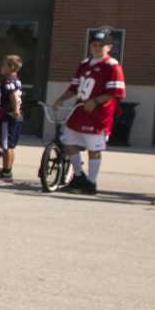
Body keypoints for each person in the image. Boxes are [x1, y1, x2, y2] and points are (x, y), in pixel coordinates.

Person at [52, 28, 125, 197]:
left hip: (99, 114)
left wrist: (96, 101)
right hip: (80, 110)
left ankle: (91, 183)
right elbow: (74, 87)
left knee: (94, 148)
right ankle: (78, 176)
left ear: (109, 47)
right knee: (68, 141)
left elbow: (116, 92)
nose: (97, 48)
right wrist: (61, 99)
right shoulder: (84, 64)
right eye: (94, 45)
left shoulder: (112, 66)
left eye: (101, 45)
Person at [0, 53, 26, 181]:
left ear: (11, 67)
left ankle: (6, 172)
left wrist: (15, 109)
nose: (0, 67)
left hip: (8, 116)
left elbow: (13, 95)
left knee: (6, 145)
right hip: (17, 117)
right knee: (11, 146)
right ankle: (8, 169)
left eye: (3, 65)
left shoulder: (8, 80)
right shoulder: (16, 79)